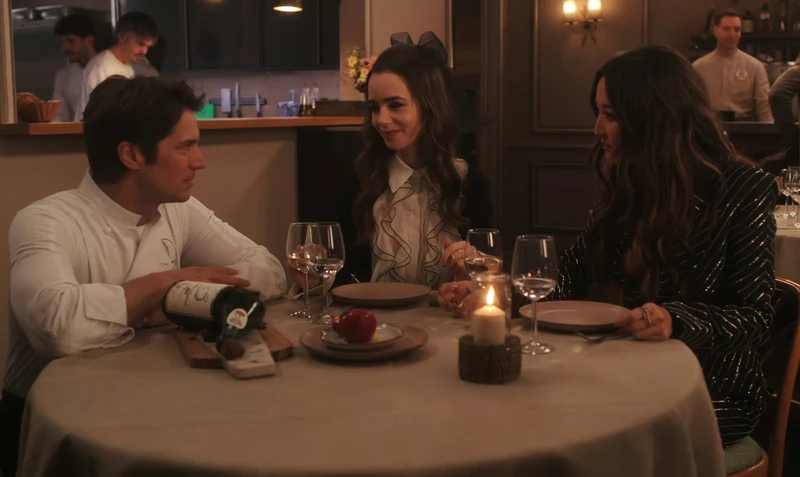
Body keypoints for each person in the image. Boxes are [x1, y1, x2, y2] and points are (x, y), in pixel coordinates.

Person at [442, 45, 777, 449]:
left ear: (655, 118)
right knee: (524, 410)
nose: (597, 128)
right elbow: (569, 273)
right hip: (625, 367)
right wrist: (494, 293)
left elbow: (755, 316)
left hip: (707, 386)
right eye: (598, 112)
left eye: (611, 115)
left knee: (590, 429)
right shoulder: (627, 180)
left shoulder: (742, 187)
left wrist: (676, 320)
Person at [0, 76, 287, 476]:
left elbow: (268, 269)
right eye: (185, 147)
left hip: (150, 402)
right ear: (132, 155)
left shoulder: (177, 210)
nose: (200, 161)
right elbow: (56, 328)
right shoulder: (45, 221)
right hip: (52, 427)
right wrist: (164, 285)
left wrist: (173, 300)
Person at [290, 33, 492, 291]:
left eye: (395, 105)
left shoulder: (469, 184)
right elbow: (340, 277)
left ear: (429, 107)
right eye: (374, 108)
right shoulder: (356, 182)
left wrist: (472, 275)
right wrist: (315, 280)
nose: (381, 120)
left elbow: (488, 288)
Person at [75, 12, 158, 121]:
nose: (144, 51)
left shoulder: (128, 69)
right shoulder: (100, 67)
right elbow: (94, 114)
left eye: (148, 47)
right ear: (122, 36)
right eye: (140, 44)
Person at [692, 10, 773, 122]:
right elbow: (691, 106)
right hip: (710, 127)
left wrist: (769, 131)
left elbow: (765, 109)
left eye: (737, 29)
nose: (732, 34)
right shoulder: (698, 68)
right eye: (726, 29)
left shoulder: (755, 67)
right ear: (716, 31)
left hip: (744, 128)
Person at [51, 13, 97, 122]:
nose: (65, 47)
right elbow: (59, 115)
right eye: (63, 42)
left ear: (89, 41)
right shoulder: (63, 76)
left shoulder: (108, 68)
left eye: (71, 41)